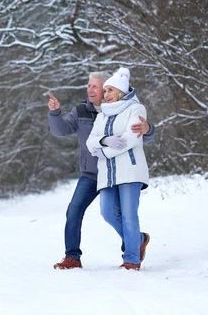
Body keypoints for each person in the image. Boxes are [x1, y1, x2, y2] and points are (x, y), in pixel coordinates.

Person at [48, 70, 155, 270]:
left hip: (119, 171)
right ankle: (72, 257)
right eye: (90, 86)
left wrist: (149, 129)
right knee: (75, 210)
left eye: (96, 86)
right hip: (92, 174)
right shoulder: (82, 111)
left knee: (125, 213)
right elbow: (62, 130)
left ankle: (131, 252)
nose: (91, 90)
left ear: (115, 89)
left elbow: (139, 135)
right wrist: (55, 113)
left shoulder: (129, 109)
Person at [86, 67, 150, 270]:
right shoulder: (102, 114)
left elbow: (129, 139)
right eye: (105, 91)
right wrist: (105, 139)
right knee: (107, 212)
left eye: (110, 90)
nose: (106, 95)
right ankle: (138, 239)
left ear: (121, 92)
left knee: (129, 215)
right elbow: (90, 142)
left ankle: (131, 259)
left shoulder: (136, 109)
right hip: (107, 173)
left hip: (130, 170)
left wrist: (103, 151)